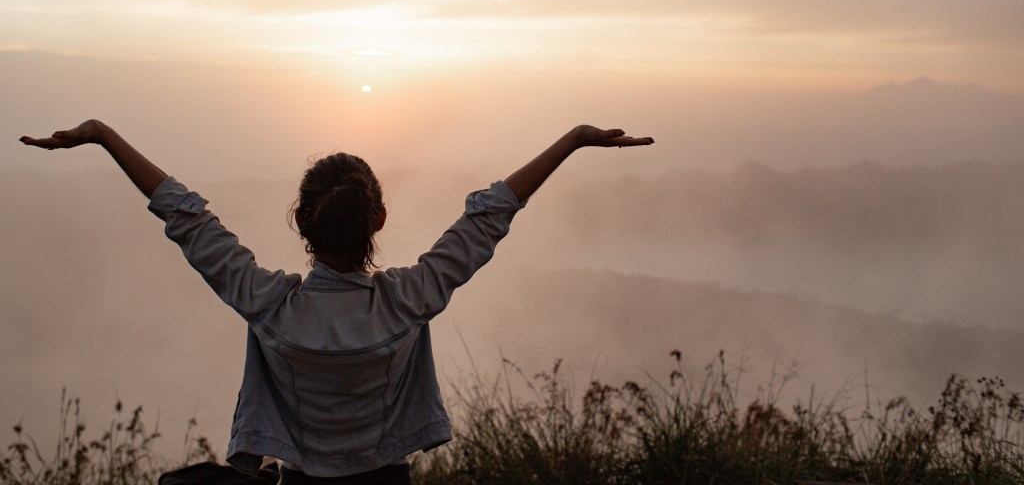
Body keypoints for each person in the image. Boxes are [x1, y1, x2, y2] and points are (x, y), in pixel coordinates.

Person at [20, 120, 654, 484]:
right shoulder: (408, 302)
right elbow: (488, 218)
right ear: (379, 217)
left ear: (300, 221)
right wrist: (571, 140)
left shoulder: (271, 307)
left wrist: (103, 135)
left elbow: (187, 219)